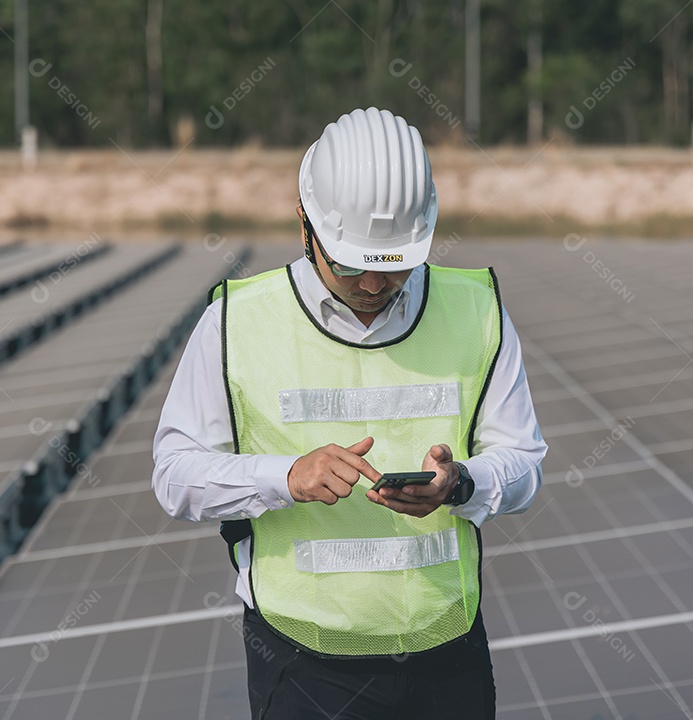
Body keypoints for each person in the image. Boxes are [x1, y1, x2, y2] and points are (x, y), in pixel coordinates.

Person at [153, 107, 547, 720]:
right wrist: (283, 477)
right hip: (304, 664)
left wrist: (461, 483)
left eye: (392, 266)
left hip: (448, 656)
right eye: (350, 264)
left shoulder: (477, 311)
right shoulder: (235, 323)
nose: (370, 284)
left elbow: (524, 462)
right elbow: (175, 476)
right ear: (304, 224)